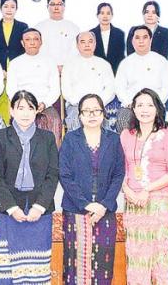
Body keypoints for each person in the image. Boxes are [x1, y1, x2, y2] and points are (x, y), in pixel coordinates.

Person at [0, 90, 59, 284]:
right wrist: (12, 208)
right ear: (12, 111)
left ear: (37, 111)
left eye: (30, 108)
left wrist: (40, 206)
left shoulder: (47, 138)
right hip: (8, 211)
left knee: (37, 271)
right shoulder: (0, 137)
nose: (25, 113)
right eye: (20, 108)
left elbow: (52, 175)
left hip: (39, 212)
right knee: (7, 272)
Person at [59, 93, 125, 284]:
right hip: (75, 211)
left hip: (105, 212)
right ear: (79, 115)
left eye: (96, 110)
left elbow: (118, 174)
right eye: (87, 111)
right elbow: (64, 175)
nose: (92, 115)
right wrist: (86, 204)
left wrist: (104, 205)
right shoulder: (70, 139)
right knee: (74, 266)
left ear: (103, 114)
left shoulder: (114, 140)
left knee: (102, 265)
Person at [120, 88, 168, 284]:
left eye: (149, 105)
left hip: (159, 202)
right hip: (133, 201)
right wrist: (127, 190)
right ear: (133, 109)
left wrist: (147, 190)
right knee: (136, 256)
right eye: (140, 105)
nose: (144, 109)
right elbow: (120, 169)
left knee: (159, 256)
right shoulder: (126, 135)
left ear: (157, 109)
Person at [6, 28, 62, 143]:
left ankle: (50, 155)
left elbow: (55, 89)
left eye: (36, 39)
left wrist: (44, 103)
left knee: (54, 121)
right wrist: (24, 104)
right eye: (28, 39)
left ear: (41, 42)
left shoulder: (50, 62)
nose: (32, 42)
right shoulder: (15, 63)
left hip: (45, 105)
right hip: (22, 105)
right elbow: (11, 89)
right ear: (22, 43)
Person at [114, 25, 168, 132]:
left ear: (150, 40)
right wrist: (130, 103)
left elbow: (167, 88)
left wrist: (153, 104)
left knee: (155, 126)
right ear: (132, 41)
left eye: (145, 37)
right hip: (131, 106)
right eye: (137, 38)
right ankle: (128, 144)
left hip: (155, 106)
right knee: (123, 118)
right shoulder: (125, 63)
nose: (141, 41)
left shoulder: (161, 61)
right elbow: (119, 88)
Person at [61, 31, 116, 132]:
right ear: (77, 45)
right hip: (76, 105)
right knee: (76, 120)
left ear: (95, 44)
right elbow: (66, 91)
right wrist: (83, 105)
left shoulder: (104, 64)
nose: (87, 45)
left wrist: (98, 104)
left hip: (100, 104)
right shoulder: (69, 65)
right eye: (83, 42)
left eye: (90, 41)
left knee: (104, 124)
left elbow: (110, 89)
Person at [0, 0, 28, 124]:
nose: (9, 9)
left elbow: (25, 49)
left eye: (12, 7)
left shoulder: (23, 26)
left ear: (16, 9)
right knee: (0, 99)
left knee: (15, 99)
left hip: (17, 69)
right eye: (6, 6)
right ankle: (2, 126)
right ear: (0, 8)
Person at [35, 0, 80, 69]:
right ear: (47, 7)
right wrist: (51, 67)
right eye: (52, 4)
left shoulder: (73, 28)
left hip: (69, 69)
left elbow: (75, 50)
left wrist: (65, 67)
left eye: (59, 4)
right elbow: (37, 50)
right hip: (44, 68)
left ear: (64, 6)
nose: (56, 7)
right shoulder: (38, 28)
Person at [91, 2, 126, 74]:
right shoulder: (91, 34)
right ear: (97, 15)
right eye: (102, 13)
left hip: (115, 72)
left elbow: (121, 57)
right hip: (96, 72)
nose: (105, 16)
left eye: (108, 13)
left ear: (112, 15)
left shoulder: (119, 34)